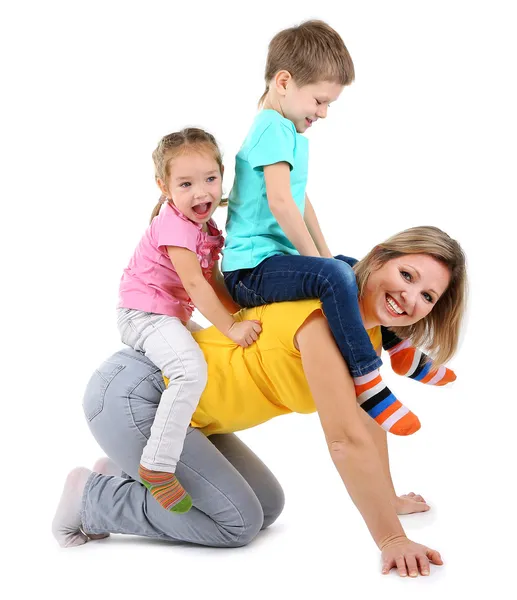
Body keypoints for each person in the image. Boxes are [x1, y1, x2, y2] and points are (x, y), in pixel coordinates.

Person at [52, 225, 467, 578]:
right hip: (137, 396)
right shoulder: (321, 322)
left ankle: (126, 470)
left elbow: (370, 421)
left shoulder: (365, 338)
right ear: (377, 259)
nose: (409, 297)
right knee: (237, 523)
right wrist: (390, 537)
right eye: (407, 274)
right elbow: (345, 441)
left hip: (186, 420)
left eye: (428, 296)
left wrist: (388, 495)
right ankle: (92, 498)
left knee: (268, 506)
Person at [222, 20, 420, 435]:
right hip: (249, 273)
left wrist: (327, 257)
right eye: (320, 100)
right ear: (283, 81)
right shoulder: (271, 127)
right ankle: (367, 380)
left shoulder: (287, 130)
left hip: (272, 263)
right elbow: (279, 203)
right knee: (334, 273)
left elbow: (299, 199)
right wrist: (320, 265)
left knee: (352, 266)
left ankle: (397, 343)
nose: (324, 113)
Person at [116, 128, 262, 513]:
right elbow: (196, 284)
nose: (202, 193)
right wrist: (231, 327)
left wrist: (240, 315)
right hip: (144, 314)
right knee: (189, 370)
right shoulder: (175, 224)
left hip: (167, 315)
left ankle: (190, 434)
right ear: (164, 186)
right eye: (186, 183)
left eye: (210, 179)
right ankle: (157, 466)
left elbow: (213, 278)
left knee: (213, 357)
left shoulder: (206, 227)